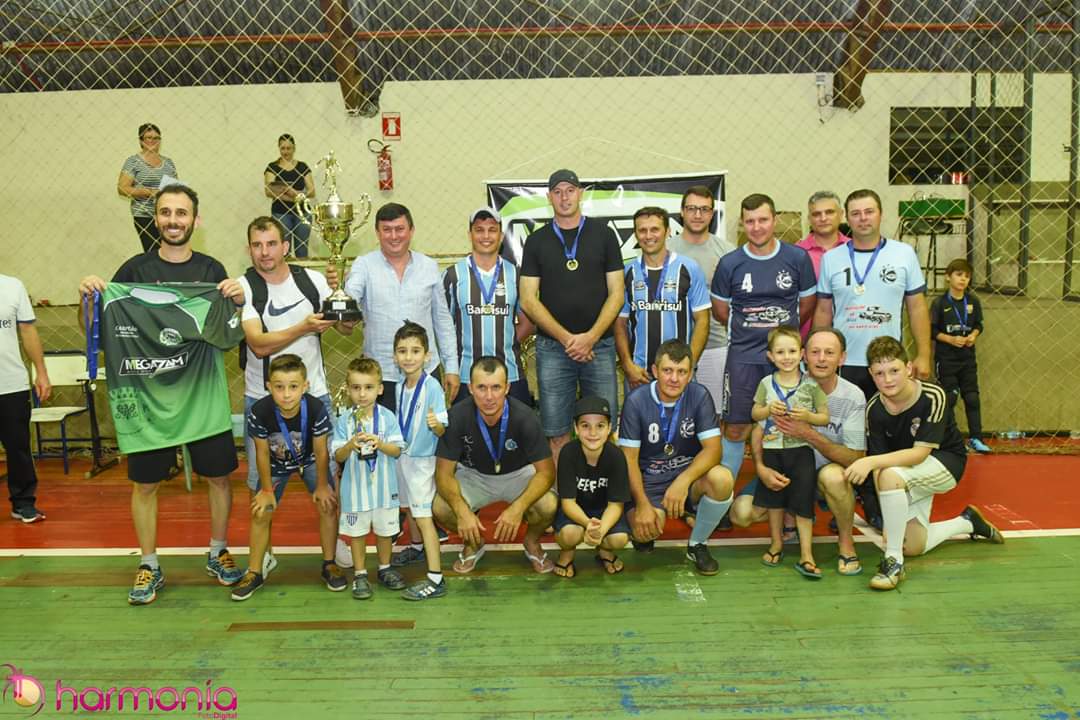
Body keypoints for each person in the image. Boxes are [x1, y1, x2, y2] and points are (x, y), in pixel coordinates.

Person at [78, 185, 246, 605]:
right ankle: (149, 564)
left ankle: (218, 551)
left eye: (182, 213)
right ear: (156, 219)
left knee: (219, 478)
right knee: (146, 484)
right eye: (166, 212)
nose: (174, 220)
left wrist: (238, 301)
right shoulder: (132, 271)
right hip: (148, 397)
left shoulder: (211, 270)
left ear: (195, 220)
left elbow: (228, 332)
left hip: (201, 395)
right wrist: (88, 299)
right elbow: (96, 327)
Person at [238, 215, 356, 557]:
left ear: (286, 246)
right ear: (249, 249)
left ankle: (334, 550)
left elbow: (345, 328)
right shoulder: (245, 287)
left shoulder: (311, 281)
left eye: (272, 244)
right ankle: (264, 555)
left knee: (326, 483)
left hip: (313, 398)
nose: (265, 252)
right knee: (261, 489)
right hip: (263, 401)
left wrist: (342, 297)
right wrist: (303, 327)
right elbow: (258, 344)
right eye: (257, 245)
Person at [847, 336, 1004, 591]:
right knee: (913, 546)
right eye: (879, 373)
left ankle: (893, 562)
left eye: (894, 370)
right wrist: (886, 518)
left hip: (945, 463)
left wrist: (871, 462)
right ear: (871, 375)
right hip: (902, 473)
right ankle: (967, 522)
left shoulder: (933, 395)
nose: (888, 380)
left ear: (908, 368)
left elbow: (919, 454)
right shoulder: (874, 409)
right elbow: (879, 468)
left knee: (889, 477)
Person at [730, 328, 868, 575]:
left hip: (821, 473)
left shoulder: (852, 396)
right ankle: (789, 517)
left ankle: (846, 543)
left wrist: (807, 432)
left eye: (829, 353)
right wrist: (760, 468)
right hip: (781, 465)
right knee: (741, 514)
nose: (821, 359)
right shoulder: (777, 384)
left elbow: (856, 458)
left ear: (842, 358)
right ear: (805, 355)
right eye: (815, 352)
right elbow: (758, 426)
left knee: (834, 478)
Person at [710, 193, 817, 487]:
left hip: (785, 360)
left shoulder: (797, 258)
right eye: (750, 221)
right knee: (736, 429)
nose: (756, 227)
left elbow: (807, 305)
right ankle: (724, 494)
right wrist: (752, 329)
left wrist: (783, 338)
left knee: (787, 424)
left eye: (763, 220)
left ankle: (785, 493)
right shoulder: (730, 263)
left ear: (775, 220)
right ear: (742, 224)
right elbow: (721, 311)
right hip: (743, 357)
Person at [519, 169, 624, 461]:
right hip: (553, 349)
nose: (564, 197)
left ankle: (602, 489)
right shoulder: (536, 241)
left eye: (570, 190)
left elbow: (617, 294)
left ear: (580, 193)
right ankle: (565, 491)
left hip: (599, 347)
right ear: (549, 197)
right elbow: (528, 299)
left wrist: (590, 338)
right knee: (556, 432)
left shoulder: (604, 235)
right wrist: (569, 340)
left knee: (603, 429)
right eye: (557, 191)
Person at [618, 339, 735, 575]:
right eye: (667, 370)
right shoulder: (636, 401)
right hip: (649, 481)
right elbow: (628, 460)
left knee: (723, 479)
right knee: (646, 531)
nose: (674, 379)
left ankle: (697, 543)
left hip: (686, 477)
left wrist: (683, 481)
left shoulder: (699, 395)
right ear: (654, 371)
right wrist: (642, 504)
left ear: (690, 374)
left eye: (681, 372)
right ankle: (653, 518)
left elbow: (714, 450)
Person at [433, 355, 558, 574]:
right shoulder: (457, 416)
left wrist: (517, 508)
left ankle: (531, 541)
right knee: (440, 508)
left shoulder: (526, 417)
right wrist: (462, 511)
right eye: (481, 387)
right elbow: (443, 474)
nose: (489, 397)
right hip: (474, 475)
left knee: (548, 505)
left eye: (496, 387)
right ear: (470, 388)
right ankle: (474, 543)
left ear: (507, 388)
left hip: (518, 475)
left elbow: (546, 473)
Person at [231, 355, 338, 601]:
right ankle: (255, 571)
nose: (286, 394)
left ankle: (329, 563)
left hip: (310, 460)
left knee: (328, 503)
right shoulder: (260, 411)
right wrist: (267, 490)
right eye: (279, 387)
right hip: (275, 464)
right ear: (269, 386)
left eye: (293, 386)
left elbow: (321, 450)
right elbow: (261, 452)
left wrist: (322, 485)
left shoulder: (316, 408)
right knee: (261, 510)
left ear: (305, 386)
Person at [813, 188, 932, 398]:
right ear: (846, 218)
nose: (863, 218)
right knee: (842, 418)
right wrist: (818, 357)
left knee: (888, 417)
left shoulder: (904, 254)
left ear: (881, 214)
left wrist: (923, 354)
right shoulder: (831, 258)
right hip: (844, 361)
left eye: (869, 212)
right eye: (855, 213)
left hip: (888, 362)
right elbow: (823, 310)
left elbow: (917, 308)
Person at [340, 202, 460, 410]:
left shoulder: (429, 266)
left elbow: (442, 320)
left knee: (429, 429)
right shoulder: (363, 265)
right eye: (387, 230)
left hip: (424, 371)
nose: (394, 236)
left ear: (411, 231)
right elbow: (352, 295)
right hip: (379, 375)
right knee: (381, 431)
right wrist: (342, 296)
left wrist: (452, 367)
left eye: (399, 229)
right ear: (377, 233)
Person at [749, 327, 829, 579]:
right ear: (770, 356)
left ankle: (807, 553)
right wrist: (767, 410)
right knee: (774, 501)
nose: (787, 357)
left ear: (802, 354)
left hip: (801, 451)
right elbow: (754, 413)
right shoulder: (766, 383)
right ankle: (776, 543)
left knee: (803, 503)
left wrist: (808, 416)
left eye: (792, 351)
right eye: (780, 352)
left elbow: (824, 417)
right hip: (772, 451)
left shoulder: (811, 385)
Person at [332, 357, 408, 600]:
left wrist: (380, 443)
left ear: (380, 389)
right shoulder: (344, 420)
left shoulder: (387, 417)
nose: (362, 394)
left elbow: (397, 450)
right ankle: (360, 574)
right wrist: (350, 445)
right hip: (355, 490)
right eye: (356, 387)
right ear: (348, 389)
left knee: (385, 532)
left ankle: (385, 568)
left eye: (368, 387)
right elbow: (338, 455)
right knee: (357, 534)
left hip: (385, 490)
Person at [442, 207, 534, 406]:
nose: (486, 236)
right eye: (479, 230)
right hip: (465, 377)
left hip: (509, 374)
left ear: (501, 236)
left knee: (517, 425)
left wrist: (505, 343)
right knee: (465, 427)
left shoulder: (516, 275)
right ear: (470, 234)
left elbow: (528, 322)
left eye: (492, 230)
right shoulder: (452, 276)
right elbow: (443, 327)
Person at [616, 206, 710, 395]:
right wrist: (627, 364)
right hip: (639, 374)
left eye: (655, 229)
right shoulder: (627, 272)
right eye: (642, 230)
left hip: (678, 374)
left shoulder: (689, 268)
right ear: (635, 235)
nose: (648, 236)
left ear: (667, 231)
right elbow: (620, 323)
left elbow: (702, 320)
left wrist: (688, 365)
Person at [388, 322, 450, 601]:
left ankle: (436, 578)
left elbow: (443, 429)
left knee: (424, 517)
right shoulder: (400, 386)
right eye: (402, 351)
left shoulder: (432, 386)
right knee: (409, 507)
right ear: (394, 356)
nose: (408, 357)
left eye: (415, 351)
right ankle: (417, 547)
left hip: (423, 461)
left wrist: (437, 425)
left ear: (427, 355)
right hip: (404, 456)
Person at [667, 185, 736, 417]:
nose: (698, 215)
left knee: (714, 415)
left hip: (714, 346)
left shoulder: (727, 252)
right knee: (673, 414)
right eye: (692, 208)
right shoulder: (666, 250)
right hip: (672, 347)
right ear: (682, 212)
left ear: (712, 214)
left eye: (704, 209)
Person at [553, 396, 631, 578]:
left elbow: (616, 505)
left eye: (600, 426)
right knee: (570, 534)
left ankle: (604, 551)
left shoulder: (616, 456)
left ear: (609, 428)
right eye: (585, 425)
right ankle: (567, 553)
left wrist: (600, 531)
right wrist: (588, 524)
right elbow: (568, 503)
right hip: (576, 510)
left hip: (604, 511)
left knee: (619, 539)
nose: (593, 433)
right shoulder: (568, 453)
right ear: (576, 428)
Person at [1, 274, 50, 523]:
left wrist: (41, 372)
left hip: (10, 384)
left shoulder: (13, 286)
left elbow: (28, 330)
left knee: (18, 447)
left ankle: (23, 503)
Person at [930, 258, 989, 453]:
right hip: (946, 359)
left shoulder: (973, 301)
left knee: (972, 397)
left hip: (967, 358)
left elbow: (978, 325)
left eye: (967, 276)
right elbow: (932, 331)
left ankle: (976, 438)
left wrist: (973, 335)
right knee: (950, 398)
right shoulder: (939, 303)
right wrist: (950, 339)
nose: (963, 279)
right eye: (959, 274)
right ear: (948, 277)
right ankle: (950, 439)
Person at [796, 191, 851, 338]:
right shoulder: (795, 254)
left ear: (841, 214)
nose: (823, 218)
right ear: (809, 219)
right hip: (806, 339)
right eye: (816, 214)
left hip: (850, 335)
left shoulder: (855, 250)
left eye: (829, 212)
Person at [118, 123, 178, 252]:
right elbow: (122, 188)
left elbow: (175, 188)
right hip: (144, 214)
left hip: (168, 215)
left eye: (156, 138)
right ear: (141, 140)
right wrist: (150, 192)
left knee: (171, 251)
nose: (153, 141)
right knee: (153, 251)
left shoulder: (168, 163)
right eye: (148, 138)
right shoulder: (133, 162)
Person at [264, 134, 316, 258]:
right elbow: (268, 191)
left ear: (294, 148)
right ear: (279, 148)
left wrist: (294, 194)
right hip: (281, 213)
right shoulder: (272, 167)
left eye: (289, 148)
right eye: (283, 148)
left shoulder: (302, 167)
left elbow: (312, 191)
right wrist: (295, 196)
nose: (286, 151)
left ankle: (301, 270)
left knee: (302, 250)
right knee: (283, 249)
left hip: (302, 213)